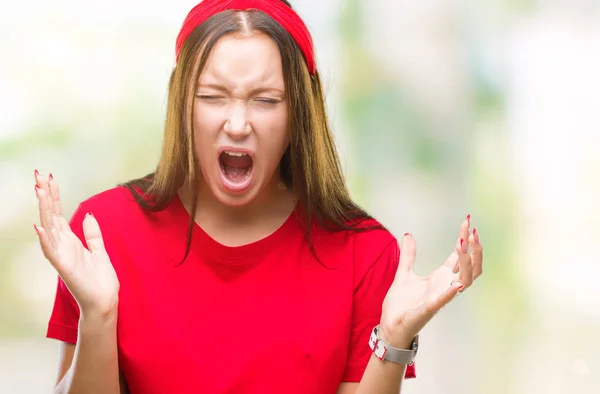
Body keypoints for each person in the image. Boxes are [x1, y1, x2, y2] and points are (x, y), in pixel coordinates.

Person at [33, 0, 484, 393]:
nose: (236, 123)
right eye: (212, 96)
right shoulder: (103, 234)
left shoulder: (364, 254)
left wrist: (396, 336)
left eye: (266, 100)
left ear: (299, 114)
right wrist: (98, 314)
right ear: (182, 102)